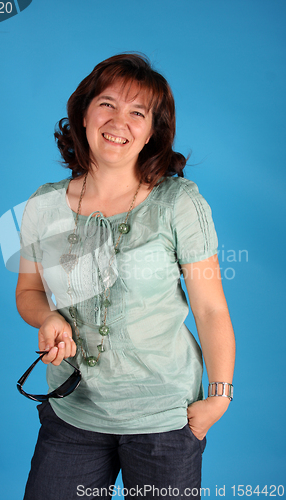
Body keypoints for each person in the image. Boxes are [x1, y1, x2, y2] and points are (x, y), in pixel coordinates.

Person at [16, 53, 235, 500]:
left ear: (153, 130)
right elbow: (29, 291)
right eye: (108, 104)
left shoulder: (178, 203)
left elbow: (211, 309)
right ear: (83, 112)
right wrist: (48, 319)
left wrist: (219, 397)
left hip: (164, 420)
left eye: (138, 112)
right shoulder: (44, 204)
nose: (120, 121)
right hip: (73, 411)